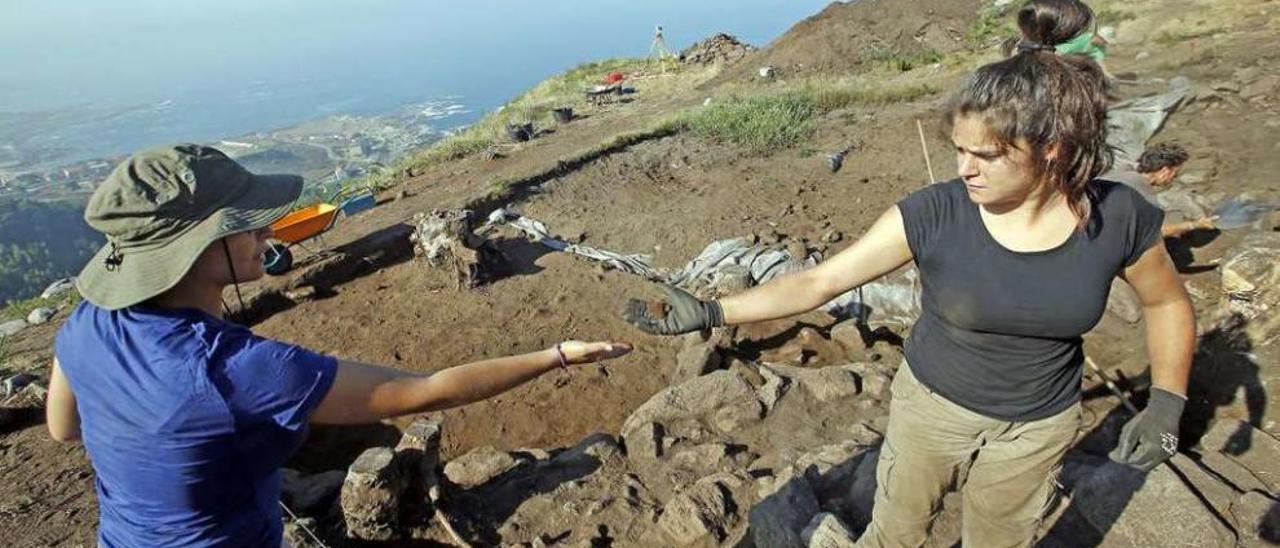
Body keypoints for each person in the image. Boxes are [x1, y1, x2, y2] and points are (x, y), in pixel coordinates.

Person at [621, 1, 1195, 546]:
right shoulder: (935, 213)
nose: (964, 169)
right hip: (931, 412)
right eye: (958, 149)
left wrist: (1167, 401)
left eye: (986, 156)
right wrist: (714, 310)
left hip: (1037, 430)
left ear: (1051, 147)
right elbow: (820, 282)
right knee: (896, 533)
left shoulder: (1117, 216)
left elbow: (1166, 304)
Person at [47, 144, 633, 547]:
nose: (266, 232)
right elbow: (423, 392)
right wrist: (557, 355)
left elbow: (63, 429)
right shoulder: (240, 369)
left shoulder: (85, 322)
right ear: (194, 251)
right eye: (246, 224)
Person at [1101, 141, 1217, 238]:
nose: (1173, 179)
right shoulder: (1142, 195)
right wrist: (1194, 225)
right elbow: (1153, 235)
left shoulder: (1122, 171)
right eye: (1174, 174)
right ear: (1164, 172)